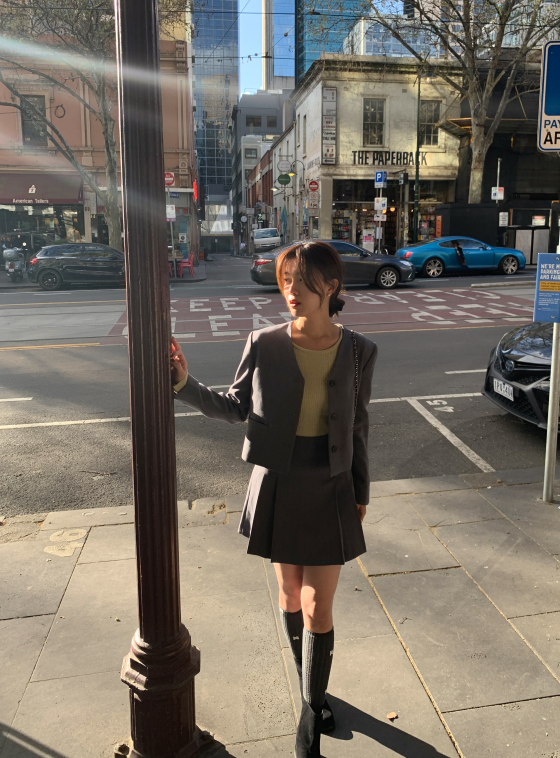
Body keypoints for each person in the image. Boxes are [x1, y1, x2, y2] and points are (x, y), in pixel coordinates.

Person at [170, 240, 378, 758]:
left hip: (331, 483)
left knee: (318, 604)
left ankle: (310, 713)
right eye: (286, 280)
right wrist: (183, 384)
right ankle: (311, 684)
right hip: (280, 481)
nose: (291, 290)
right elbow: (235, 406)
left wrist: (361, 489)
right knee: (289, 593)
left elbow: (358, 425)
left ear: (331, 286)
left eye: (303, 281)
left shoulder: (359, 351)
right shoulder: (264, 343)